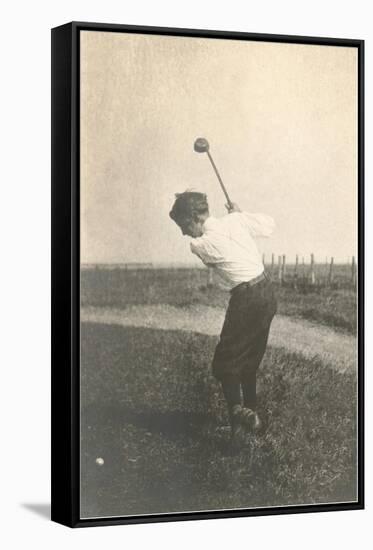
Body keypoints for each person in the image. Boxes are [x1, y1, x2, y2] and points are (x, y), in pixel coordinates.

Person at [169, 191, 277, 442]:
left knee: (224, 365)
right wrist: (240, 215)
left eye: (184, 225)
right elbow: (269, 226)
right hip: (267, 293)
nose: (184, 233)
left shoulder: (199, 244)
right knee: (249, 362)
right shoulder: (235, 220)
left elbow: (212, 258)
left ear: (195, 217)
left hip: (246, 299)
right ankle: (254, 422)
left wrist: (238, 218)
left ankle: (238, 422)